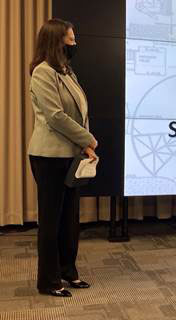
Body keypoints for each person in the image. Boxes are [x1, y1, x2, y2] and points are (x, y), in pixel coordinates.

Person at [28, 19, 98, 297]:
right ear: (56, 41)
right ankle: (48, 281)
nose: (74, 44)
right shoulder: (42, 73)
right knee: (51, 220)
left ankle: (68, 271)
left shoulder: (67, 72)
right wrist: (88, 139)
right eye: (70, 39)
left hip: (71, 155)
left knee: (70, 219)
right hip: (49, 157)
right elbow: (56, 116)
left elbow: (80, 113)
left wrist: (86, 146)